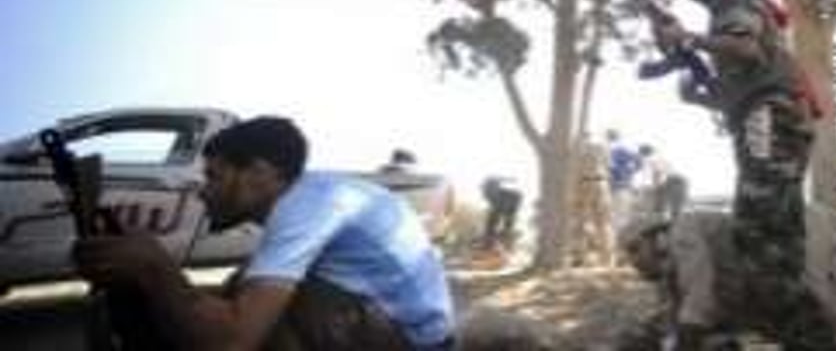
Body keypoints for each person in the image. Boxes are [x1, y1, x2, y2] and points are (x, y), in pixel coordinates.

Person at [73, 116, 455, 351]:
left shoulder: (307, 205)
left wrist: (154, 267)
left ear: (258, 173)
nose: (203, 191)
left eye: (214, 176)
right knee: (245, 283)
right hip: (407, 330)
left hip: (417, 344)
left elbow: (232, 342)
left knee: (273, 314)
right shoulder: (314, 195)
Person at [657, 0, 836, 350]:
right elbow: (739, 87)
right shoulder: (725, 9)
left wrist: (686, 37)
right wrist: (698, 97)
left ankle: (793, 334)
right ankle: (806, 337)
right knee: (778, 236)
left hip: (770, 116)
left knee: (758, 231)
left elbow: (746, 47)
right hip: (768, 116)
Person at [620, 204, 836, 351]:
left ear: (657, 237)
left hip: (807, 241)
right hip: (787, 271)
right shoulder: (671, 280)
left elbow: (698, 306)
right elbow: (676, 322)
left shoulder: (683, 230)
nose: (634, 261)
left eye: (635, 249)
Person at [570, 134, 615, 267]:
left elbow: (572, 169)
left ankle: (579, 257)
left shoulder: (576, 147)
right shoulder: (602, 147)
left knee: (580, 222)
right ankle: (607, 259)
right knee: (604, 223)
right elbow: (609, 166)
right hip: (602, 183)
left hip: (583, 183)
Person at [606, 129, 642, 229]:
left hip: (613, 185)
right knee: (619, 216)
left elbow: (638, 162)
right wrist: (630, 172)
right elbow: (639, 162)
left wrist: (627, 172)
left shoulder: (614, 149)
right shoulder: (623, 149)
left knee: (612, 214)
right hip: (621, 186)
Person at [479, 175, 522, 252]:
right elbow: (501, 178)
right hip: (509, 201)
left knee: (502, 220)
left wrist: (510, 179)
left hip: (512, 200)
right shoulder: (491, 194)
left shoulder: (505, 197)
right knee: (492, 221)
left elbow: (500, 178)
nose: (487, 197)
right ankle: (489, 243)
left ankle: (501, 240)